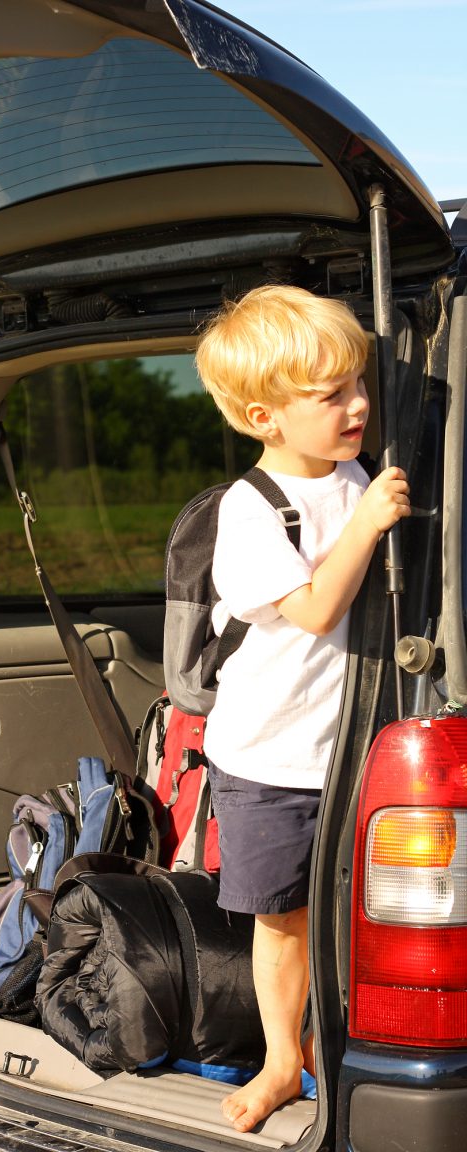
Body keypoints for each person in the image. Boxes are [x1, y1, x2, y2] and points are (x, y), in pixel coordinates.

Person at [194, 285, 410, 1133]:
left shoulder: (353, 473)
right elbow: (316, 609)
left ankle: (332, 1043)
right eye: (332, 395)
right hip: (271, 759)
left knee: (352, 907)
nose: (359, 404)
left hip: (350, 750)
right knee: (283, 919)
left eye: (359, 384)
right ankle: (283, 1061)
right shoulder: (248, 512)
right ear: (265, 417)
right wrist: (366, 523)